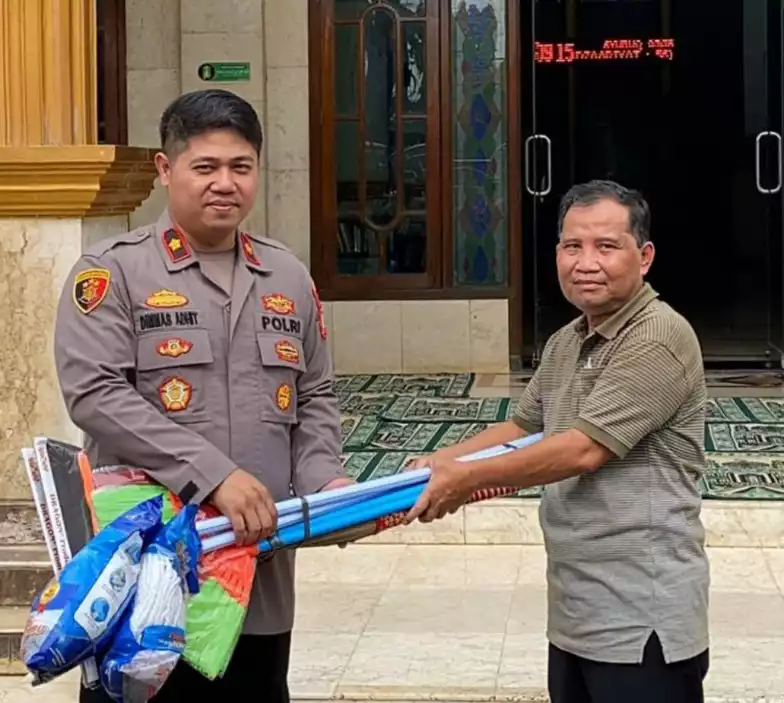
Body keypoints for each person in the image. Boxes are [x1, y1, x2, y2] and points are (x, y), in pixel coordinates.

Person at [53, 88, 352, 701]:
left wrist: (325, 484)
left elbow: (315, 395)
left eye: (241, 167)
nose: (225, 183)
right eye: (206, 166)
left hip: (257, 572)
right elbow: (96, 393)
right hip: (144, 579)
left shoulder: (287, 275)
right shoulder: (113, 272)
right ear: (166, 170)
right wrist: (214, 477)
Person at [405, 180, 710, 703]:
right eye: (572, 246)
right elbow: (523, 427)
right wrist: (435, 462)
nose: (586, 263)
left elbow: (582, 449)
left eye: (606, 246)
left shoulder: (658, 336)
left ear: (644, 257)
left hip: (642, 619)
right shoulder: (566, 341)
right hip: (575, 612)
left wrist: (464, 480)